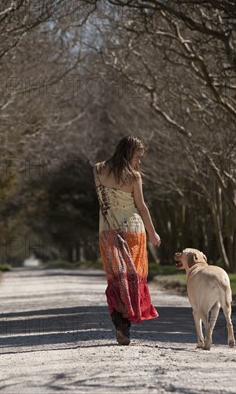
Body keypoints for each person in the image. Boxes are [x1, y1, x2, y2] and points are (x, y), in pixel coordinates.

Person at [93, 135, 160, 345]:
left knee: (116, 277)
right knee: (131, 277)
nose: (139, 161)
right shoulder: (134, 177)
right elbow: (141, 207)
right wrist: (153, 233)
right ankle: (125, 326)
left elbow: (103, 201)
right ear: (128, 153)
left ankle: (120, 324)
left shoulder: (98, 170)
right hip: (132, 230)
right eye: (137, 156)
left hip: (108, 231)